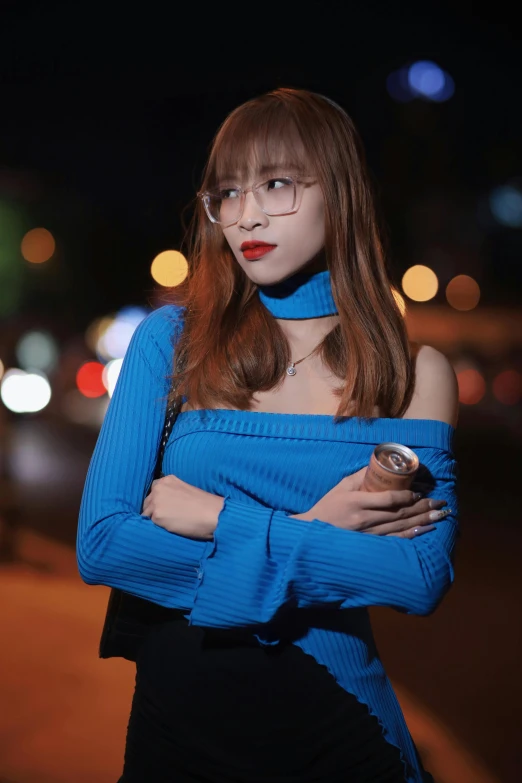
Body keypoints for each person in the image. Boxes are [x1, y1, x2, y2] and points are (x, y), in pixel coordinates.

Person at [77, 87, 459, 783]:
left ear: (338, 192)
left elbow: (418, 576)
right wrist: (315, 525)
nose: (245, 213)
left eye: (276, 183)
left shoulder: (412, 373)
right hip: (177, 739)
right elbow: (104, 546)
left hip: (340, 735)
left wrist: (219, 517)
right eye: (225, 192)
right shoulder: (172, 343)